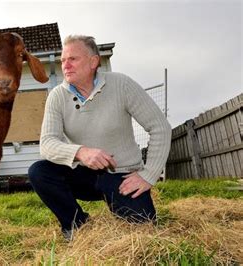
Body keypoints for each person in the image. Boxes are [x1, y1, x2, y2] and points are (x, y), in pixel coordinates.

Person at [28, 35, 172, 241]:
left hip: (121, 176)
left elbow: (160, 127)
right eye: (62, 60)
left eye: (73, 59)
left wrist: (148, 175)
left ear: (93, 62)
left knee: (144, 229)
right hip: (82, 174)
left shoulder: (121, 84)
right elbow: (47, 144)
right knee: (39, 171)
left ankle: (126, 203)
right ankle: (77, 224)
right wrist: (81, 152)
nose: (65, 65)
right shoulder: (57, 96)